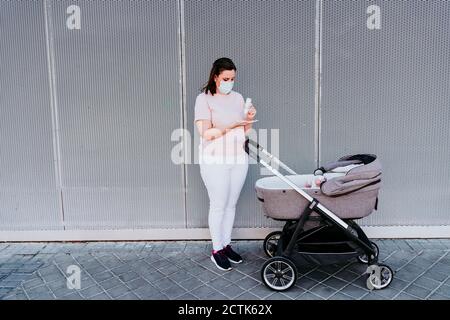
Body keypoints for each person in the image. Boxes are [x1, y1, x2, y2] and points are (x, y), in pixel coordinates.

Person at [194, 57, 257, 271]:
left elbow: (245, 130)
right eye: (226, 78)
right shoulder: (204, 99)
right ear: (216, 77)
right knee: (219, 204)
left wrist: (248, 118)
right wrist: (230, 126)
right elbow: (206, 133)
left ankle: (226, 244)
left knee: (231, 204)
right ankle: (216, 250)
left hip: (238, 158)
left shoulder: (238, 98)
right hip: (215, 160)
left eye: (233, 78)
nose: (230, 82)